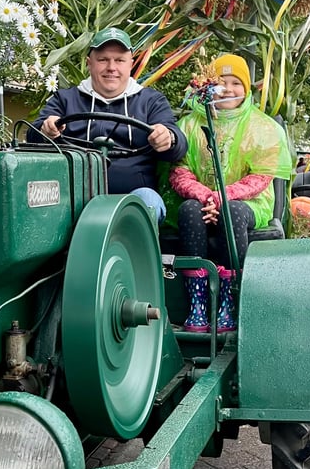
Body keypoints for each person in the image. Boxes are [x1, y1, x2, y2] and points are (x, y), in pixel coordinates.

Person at [162, 54, 292, 332]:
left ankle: (230, 299)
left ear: (246, 89)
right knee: (187, 210)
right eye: (222, 83)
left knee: (232, 213)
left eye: (236, 83)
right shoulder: (189, 124)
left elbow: (261, 177)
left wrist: (222, 197)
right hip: (200, 202)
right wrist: (205, 196)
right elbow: (179, 171)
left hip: (247, 203)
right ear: (208, 87)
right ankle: (198, 301)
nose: (229, 89)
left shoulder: (263, 127)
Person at [27, 27, 188, 223]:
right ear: (89, 63)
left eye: (119, 60)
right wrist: (46, 129)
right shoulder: (65, 99)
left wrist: (168, 137)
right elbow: (32, 136)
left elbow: (177, 144)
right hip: (71, 199)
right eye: (103, 59)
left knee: (149, 201)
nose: (111, 67)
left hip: (132, 197)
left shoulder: (151, 101)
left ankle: (131, 252)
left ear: (130, 64)